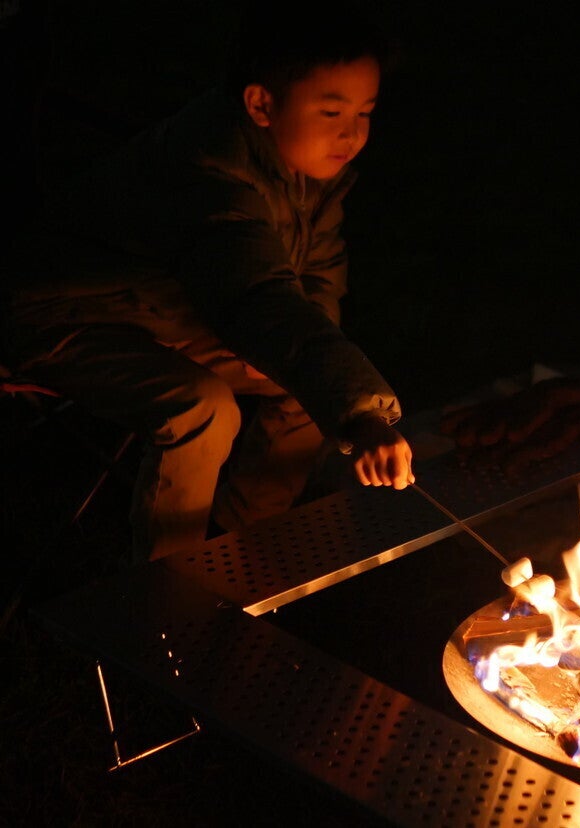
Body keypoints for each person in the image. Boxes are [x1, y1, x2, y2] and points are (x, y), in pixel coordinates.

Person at [0, 4, 414, 563]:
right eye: (331, 111)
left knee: (306, 387)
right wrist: (362, 414)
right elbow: (256, 299)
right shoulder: (211, 169)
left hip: (163, 312)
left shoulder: (308, 173)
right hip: (56, 314)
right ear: (261, 104)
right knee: (201, 408)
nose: (352, 134)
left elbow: (311, 296)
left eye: (365, 112)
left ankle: (244, 552)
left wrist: (334, 391)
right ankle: (172, 591)